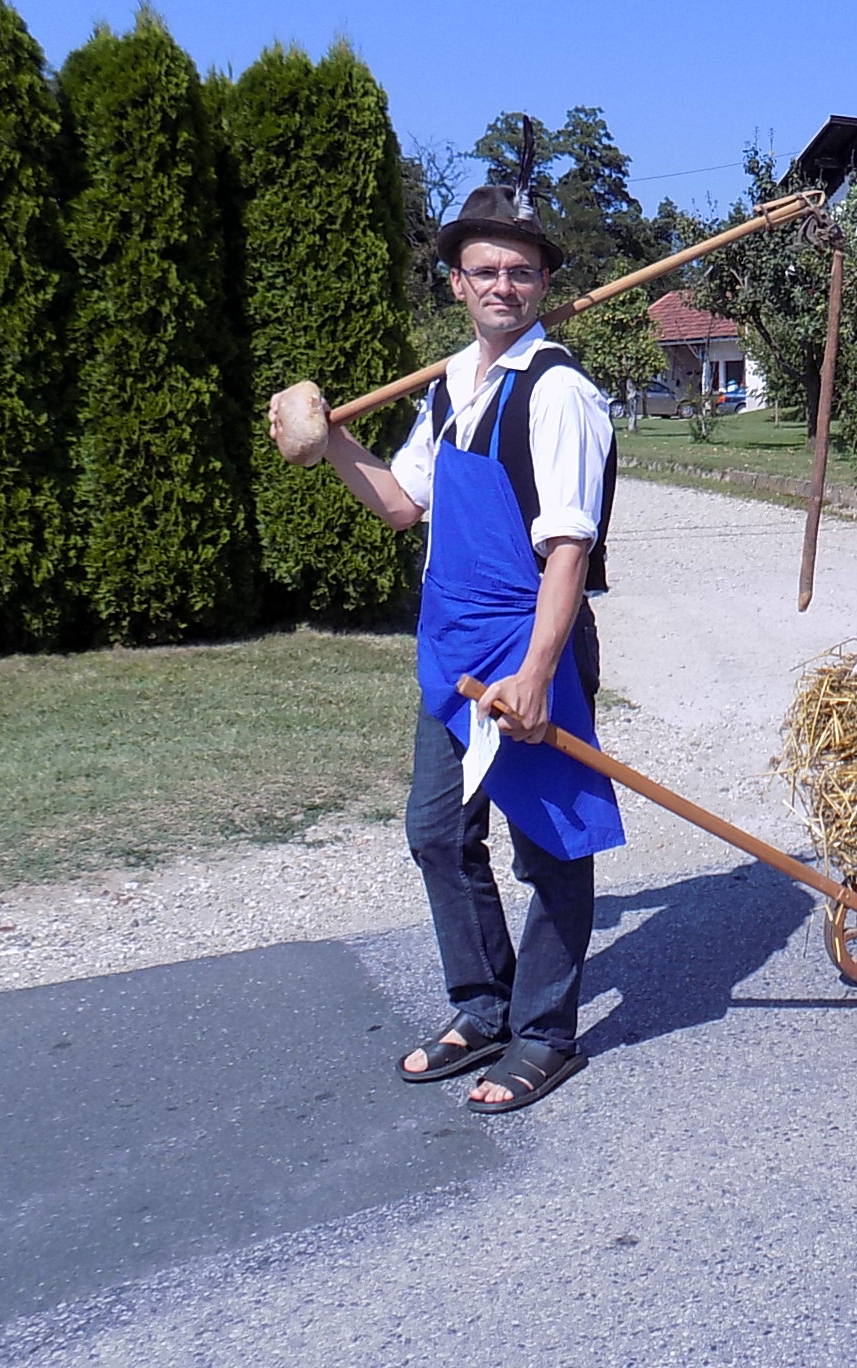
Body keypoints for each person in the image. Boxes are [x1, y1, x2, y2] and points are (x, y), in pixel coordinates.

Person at [272, 183, 621, 1112]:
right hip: (453, 648)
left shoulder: (561, 394)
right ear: (455, 284)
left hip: (528, 643)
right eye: (484, 269)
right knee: (437, 831)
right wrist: (333, 442)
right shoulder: (448, 390)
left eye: (520, 269)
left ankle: (545, 1034)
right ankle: (481, 1007)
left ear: (544, 280)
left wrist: (537, 676)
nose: (503, 284)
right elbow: (400, 505)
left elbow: (569, 549)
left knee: (549, 845)